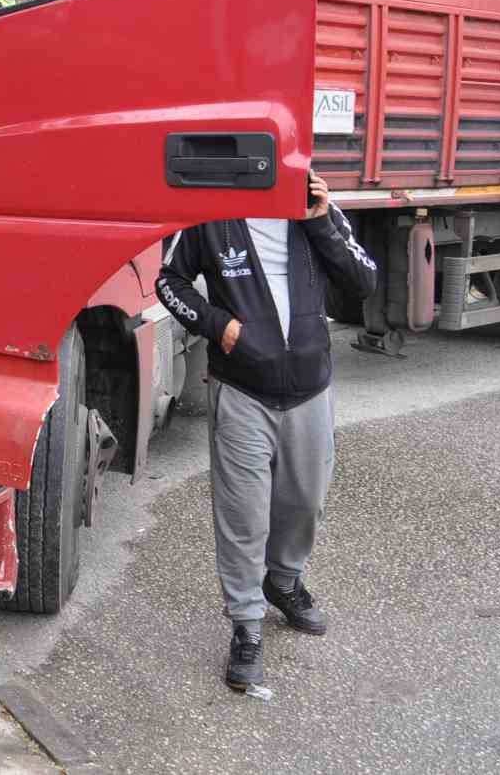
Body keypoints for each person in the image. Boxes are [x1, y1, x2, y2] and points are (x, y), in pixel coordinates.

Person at [155, 172, 376, 693]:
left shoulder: (315, 209)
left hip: (309, 387)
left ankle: (282, 580)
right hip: (242, 390)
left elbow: (363, 281)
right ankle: (247, 624)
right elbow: (170, 281)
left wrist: (321, 222)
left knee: (304, 502)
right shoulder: (213, 214)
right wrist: (219, 326)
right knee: (243, 513)